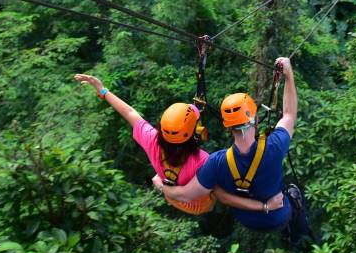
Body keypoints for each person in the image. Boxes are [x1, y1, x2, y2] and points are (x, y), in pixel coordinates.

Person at [74, 73, 283, 215]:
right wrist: (265, 205)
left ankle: (160, 183)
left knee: (161, 179)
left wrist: (102, 90)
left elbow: (129, 113)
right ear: (195, 134)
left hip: (173, 197)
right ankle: (161, 184)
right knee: (219, 185)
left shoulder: (152, 140)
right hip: (198, 205)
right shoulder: (204, 161)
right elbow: (224, 197)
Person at [153, 57, 312, 244]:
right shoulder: (274, 146)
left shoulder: (216, 163)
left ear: (227, 127)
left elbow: (185, 194)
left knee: (221, 190)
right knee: (293, 194)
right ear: (256, 119)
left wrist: (161, 184)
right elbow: (289, 114)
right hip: (278, 217)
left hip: (246, 220)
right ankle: (297, 234)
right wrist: (288, 74)